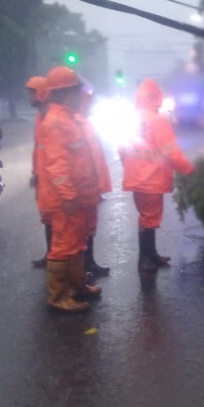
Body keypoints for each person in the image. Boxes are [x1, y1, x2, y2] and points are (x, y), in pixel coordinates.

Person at [37, 66, 102, 313]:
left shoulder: (67, 118)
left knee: (77, 243)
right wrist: (68, 195)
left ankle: (77, 287)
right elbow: (57, 165)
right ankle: (58, 297)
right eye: (76, 91)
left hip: (79, 195)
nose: (79, 95)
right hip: (66, 199)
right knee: (63, 246)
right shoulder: (55, 122)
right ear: (65, 92)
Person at [119, 78, 194, 272]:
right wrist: (189, 169)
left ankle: (150, 254)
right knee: (149, 217)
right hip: (152, 178)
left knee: (146, 216)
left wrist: (131, 169)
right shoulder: (158, 121)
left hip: (137, 178)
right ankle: (145, 258)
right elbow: (171, 153)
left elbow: (122, 150)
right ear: (156, 97)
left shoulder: (131, 118)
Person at [77, 79, 112, 279]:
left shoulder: (85, 121)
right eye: (88, 98)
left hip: (90, 186)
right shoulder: (75, 122)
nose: (91, 102)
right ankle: (83, 270)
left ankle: (89, 264)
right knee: (80, 231)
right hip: (83, 187)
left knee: (90, 228)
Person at [25, 77, 51, 269]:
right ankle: (51, 254)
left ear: (42, 93)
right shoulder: (39, 119)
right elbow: (38, 149)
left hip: (53, 179)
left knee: (60, 221)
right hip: (43, 178)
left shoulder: (51, 119)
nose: (29, 96)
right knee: (47, 217)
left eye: (32, 92)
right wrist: (35, 172)